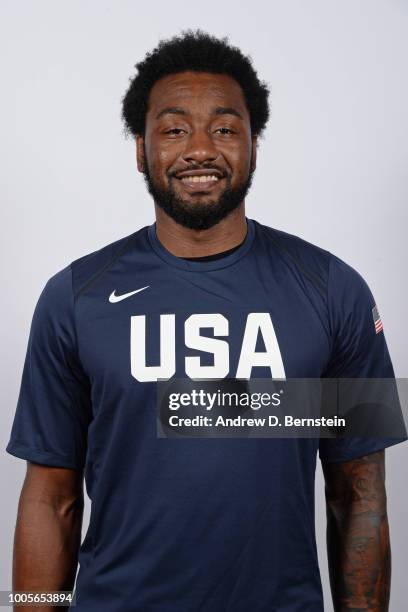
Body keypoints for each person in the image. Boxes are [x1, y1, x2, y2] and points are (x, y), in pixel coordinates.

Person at [5, 30, 407, 612]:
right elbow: (51, 498)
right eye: (173, 129)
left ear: (251, 146)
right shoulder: (74, 297)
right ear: (141, 151)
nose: (200, 149)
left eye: (224, 128)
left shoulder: (335, 290)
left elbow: (359, 492)